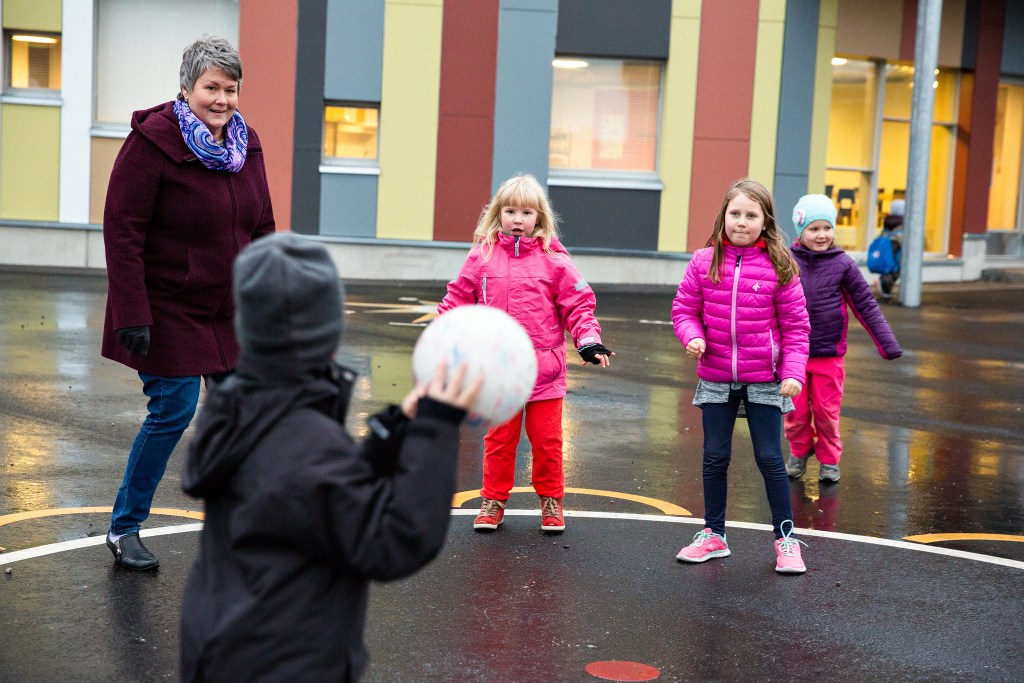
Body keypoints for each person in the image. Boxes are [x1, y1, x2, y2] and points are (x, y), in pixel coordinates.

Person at [179, 233, 481, 682]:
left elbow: (327, 497)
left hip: (229, 645)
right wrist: (436, 425)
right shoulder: (304, 441)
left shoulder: (245, 410)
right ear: (325, 335)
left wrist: (396, 429)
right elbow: (395, 538)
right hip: (283, 666)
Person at [101, 36, 275, 571]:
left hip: (229, 309)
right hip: (167, 307)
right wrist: (132, 312)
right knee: (173, 412)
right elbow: (123, 229)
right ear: (186, 88)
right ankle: (125, 526)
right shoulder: (153, 143)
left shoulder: (246, 145)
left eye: (230, 89)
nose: (221, 99)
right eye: (210, 88)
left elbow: (263, 227)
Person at [438, 174, 613, 533]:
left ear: (539, 218)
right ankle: (493, 501)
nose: (518, 219)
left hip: (544, 372)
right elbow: (457, 300)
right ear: (498, 214)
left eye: (527, 213)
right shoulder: (482, 257)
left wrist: (588, 341)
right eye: (510, 211)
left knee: (547, 442)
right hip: (499, 372)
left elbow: (578, 306)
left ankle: (551, 500)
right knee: (498, 442)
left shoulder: (555, 260)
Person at [671, 178, 811, 574]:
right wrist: (692, 336)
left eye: (751, 215)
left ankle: (785, 539)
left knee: (769, 458)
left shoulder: (780, 266)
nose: (742, 222)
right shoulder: (703, 261)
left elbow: (797, 328)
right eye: (735, 213)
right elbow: (684, 310)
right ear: (724, 216)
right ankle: (714, 534)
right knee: (714, 456)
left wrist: (793, 373)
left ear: (765, 221)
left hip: (766, 378)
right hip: (716, 374)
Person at [785, 195, 902, 483]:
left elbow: (866, 305)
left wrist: (887, 343)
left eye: (827, 228)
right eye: (813, 229)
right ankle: (799, 451)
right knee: (795, 413)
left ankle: (829, 459)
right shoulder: (786, 261)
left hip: (829, 354)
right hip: (793, 355)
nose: (821, 235)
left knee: (826, 411)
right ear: (801, 231)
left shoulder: (843, 264)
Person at [879, 198, 904, 299]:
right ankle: (886, 289)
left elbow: (884, 232)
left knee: (888, 267)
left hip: (888, 244)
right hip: (897, 244)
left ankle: (886, 290)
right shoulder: (903, 220)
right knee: (896, 268)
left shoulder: (887, 220)